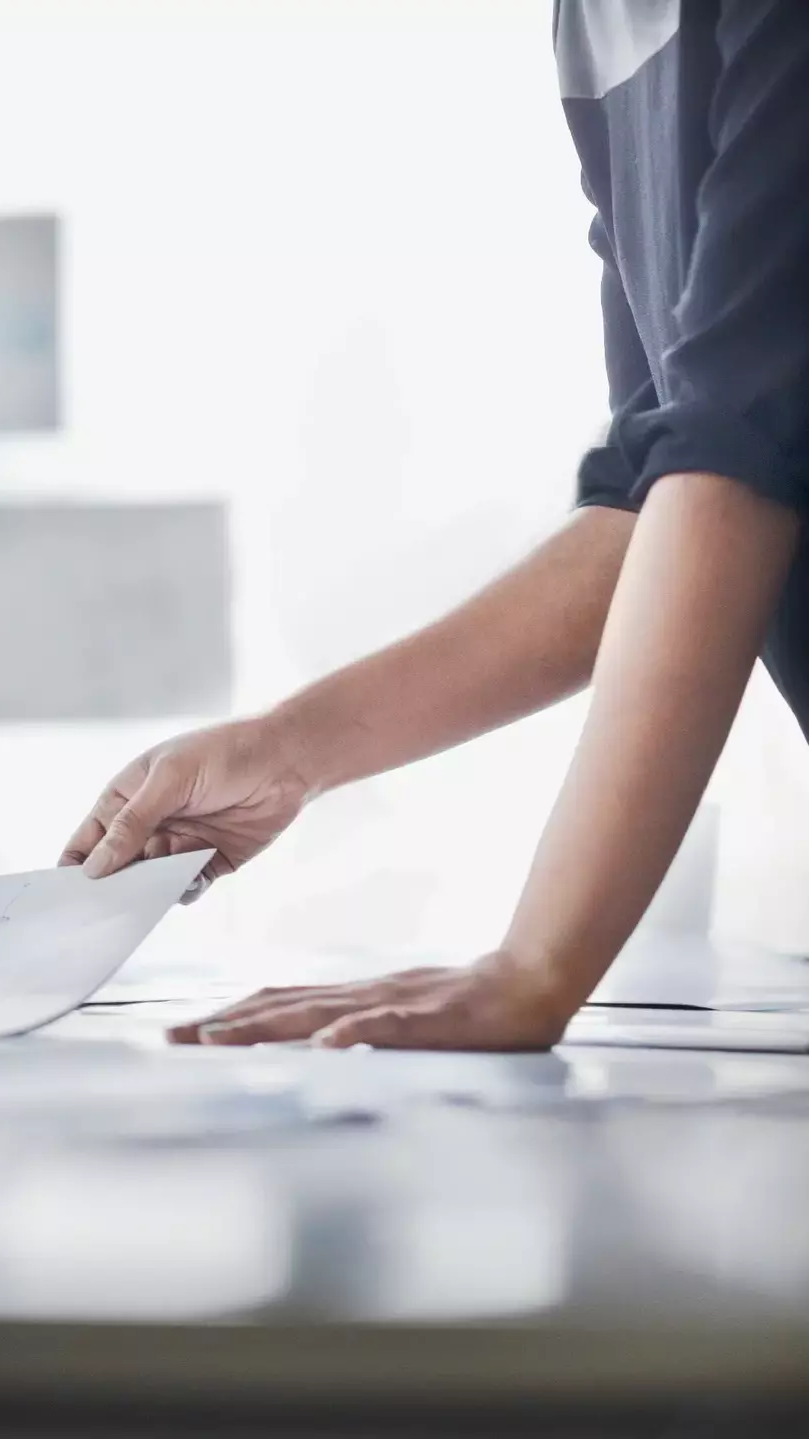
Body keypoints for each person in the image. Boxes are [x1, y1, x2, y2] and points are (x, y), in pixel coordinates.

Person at [62, 0, 809, 1051]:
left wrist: (535, 966)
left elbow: (727, 468)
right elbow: (652, 504)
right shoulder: (594, 25)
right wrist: (288, 750)